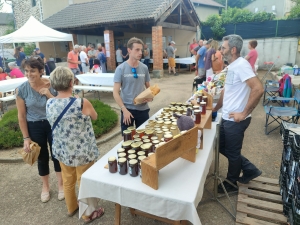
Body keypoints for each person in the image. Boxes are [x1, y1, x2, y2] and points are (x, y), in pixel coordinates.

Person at [46, 66, 104, 222]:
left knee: (68, 180)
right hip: (83, 151)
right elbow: (95, 117)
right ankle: (88, 213)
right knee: (85, 181)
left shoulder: (50, 102)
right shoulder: (81, 102)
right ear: (71, 82)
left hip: (63, 151)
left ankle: (71, 207)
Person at [213, 35, 264, 193]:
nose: (221, 50)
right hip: (227, 117)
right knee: (221, 146)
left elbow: (258, 89)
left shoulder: (241, 65)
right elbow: (226, 91)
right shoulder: (231, 66)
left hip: (236, 120)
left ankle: (232, 183)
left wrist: (243, 113)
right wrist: (215, 108)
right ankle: (249, 169)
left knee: (233, 153)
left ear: (233, 50)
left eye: (223, 48)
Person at [15, 56, 64, 203]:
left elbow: (60, 105)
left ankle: (61, 185)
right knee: (42, 157)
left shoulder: (52, 84)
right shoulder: (22, 90)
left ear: (41, 71)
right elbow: (21, 116)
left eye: (32, 71)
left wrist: (49, 94)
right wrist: (26, 138)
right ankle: (45, 187)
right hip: (34, 126)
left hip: (52, 123)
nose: (29, 74)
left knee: (57, 154)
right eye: (26, 71)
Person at [113, 37, 152, 133]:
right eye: (137, 50)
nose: (140, 52)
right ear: (129, 50)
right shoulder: (120, 69)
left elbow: (149, 88)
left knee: (144, 138)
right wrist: (124, 110)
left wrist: (151, 97)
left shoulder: (144, 68)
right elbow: (115, 92)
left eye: (141, 50)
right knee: (128, 140)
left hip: (143, 109)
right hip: (127, 110)